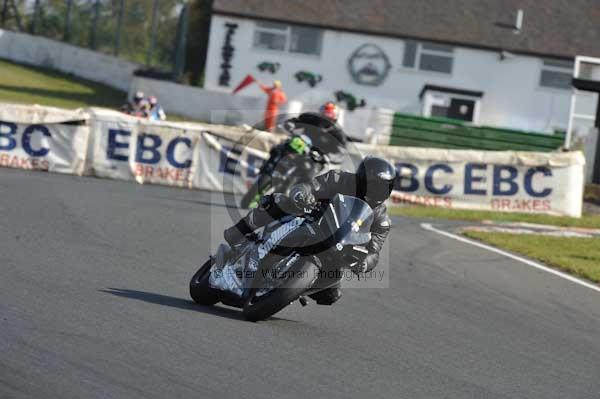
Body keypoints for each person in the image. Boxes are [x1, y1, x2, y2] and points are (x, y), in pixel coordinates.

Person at [225, 156, 396, 305]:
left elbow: (374, 250)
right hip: (313, 220)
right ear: (360, 179)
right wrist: (302, 194)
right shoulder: (338, 178)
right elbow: (311, 186)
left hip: (337, 249)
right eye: (372, 185)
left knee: (331, 295)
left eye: (382, 187)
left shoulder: (382, 219)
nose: (375, 191)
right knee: (279, 201)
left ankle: (294, 289)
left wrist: (366, 262)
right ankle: (239, 231)